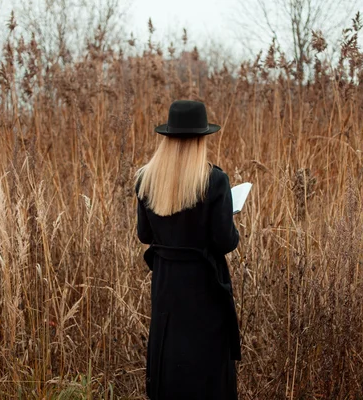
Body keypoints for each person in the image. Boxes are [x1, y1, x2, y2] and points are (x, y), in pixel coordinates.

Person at [135, 100, 241, 400]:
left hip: (166, 286)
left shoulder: (146, 179)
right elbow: (225, 242)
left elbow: (144, 235)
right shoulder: (215, 181)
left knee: (169, 361)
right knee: (206, 366)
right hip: (204, 287)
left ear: (167, 136)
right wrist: (229, 215)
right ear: (201, 138)